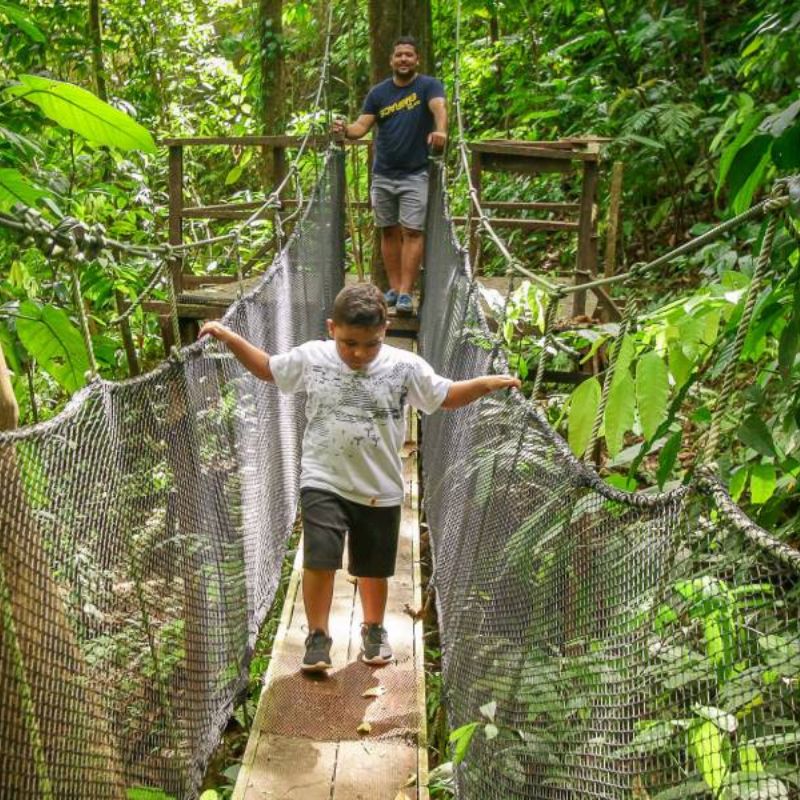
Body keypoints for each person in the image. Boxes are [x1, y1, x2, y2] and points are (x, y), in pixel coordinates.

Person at [198, 283, 519, 673]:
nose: (359, 354)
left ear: (385, 330)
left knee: (373, 569)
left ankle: (373, 628)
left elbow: (444, 395)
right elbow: (269, 369)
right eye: (349, 343)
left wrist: (486, 384)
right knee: (319, 559)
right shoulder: (313, 357)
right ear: (332, 328)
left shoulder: (404, 367)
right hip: (323, 479)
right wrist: (230, 337)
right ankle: (318, 635)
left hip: (379, 489)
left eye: (371, 344)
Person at [332, 36, 447, 317]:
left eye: (409, 55)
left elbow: (439, 108)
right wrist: (344, 129)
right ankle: (395, 289)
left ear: (416, 59)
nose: (404, 59)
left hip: (414, 172)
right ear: (392, 60)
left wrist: (441, 131)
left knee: (412, 231)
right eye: (399, 55)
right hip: (383, 173)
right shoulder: (378, 93)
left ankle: (407, 292)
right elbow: (361, 127)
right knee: (388, 230)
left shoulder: (428, 85)